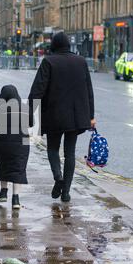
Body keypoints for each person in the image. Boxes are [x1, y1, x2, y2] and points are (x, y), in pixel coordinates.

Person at [28, 32, 96, 202]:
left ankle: (58, 177)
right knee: (70, 153)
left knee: (52, 149)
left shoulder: (49, 61)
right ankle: (66, 192)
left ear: (54, 45)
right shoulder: (81, 62)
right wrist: (91, 116)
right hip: (76, 116)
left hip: (54, 115)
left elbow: (38, 89)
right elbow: (89, 91)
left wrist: (29, 109)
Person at [0, 85, 34, 209]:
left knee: (3, 164)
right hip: (21, 142)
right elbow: (31, 123)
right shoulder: (25, 108)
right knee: (18, 167)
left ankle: (3, 193)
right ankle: (16, 199)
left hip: (3, 142)